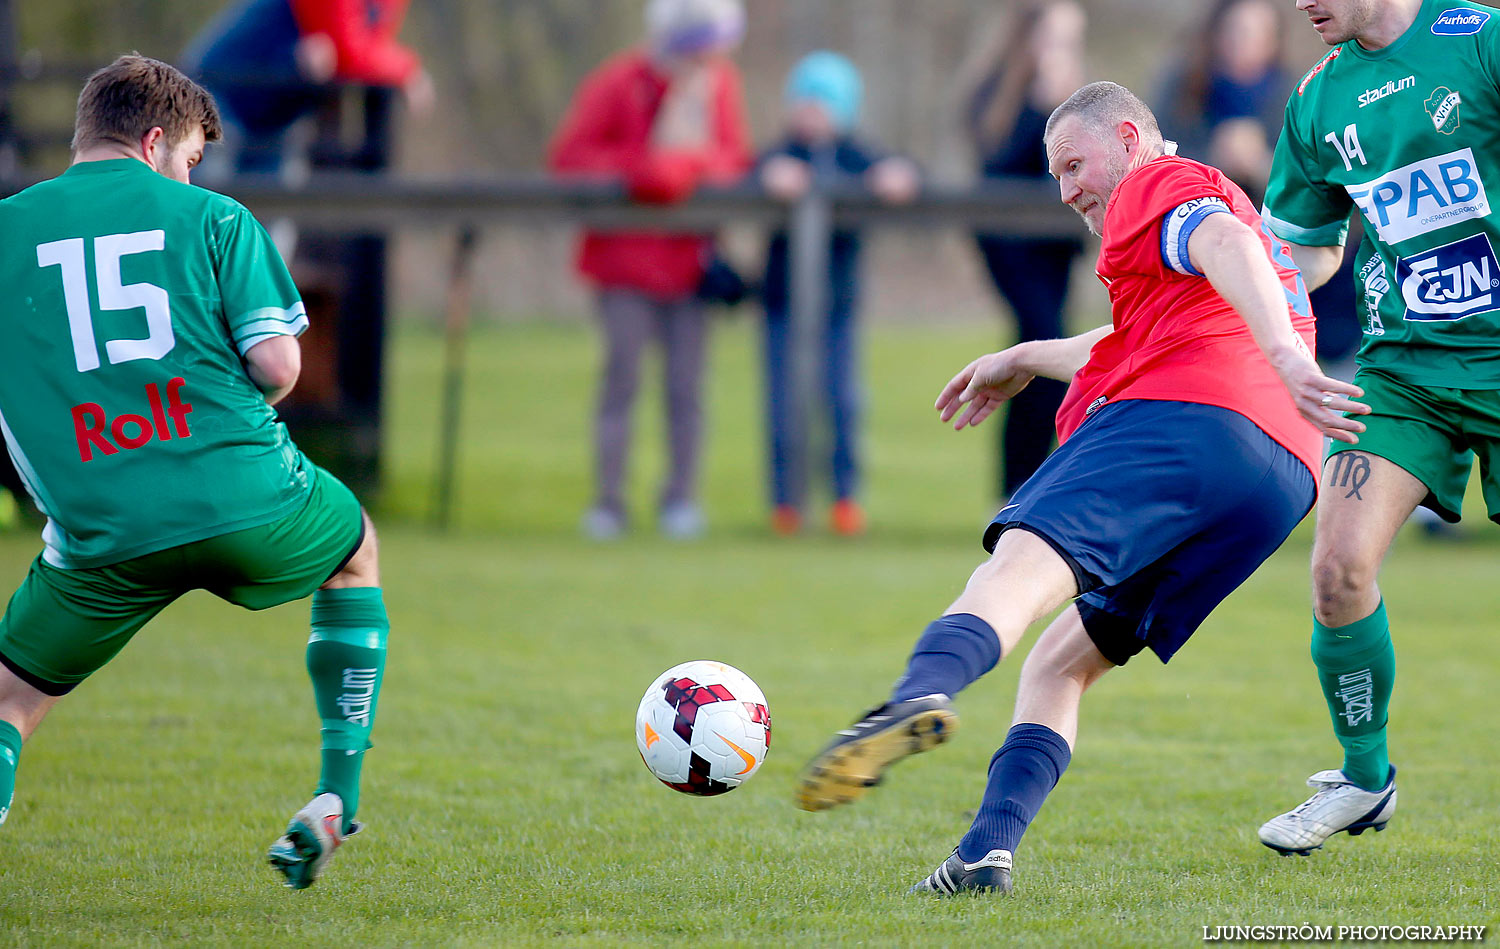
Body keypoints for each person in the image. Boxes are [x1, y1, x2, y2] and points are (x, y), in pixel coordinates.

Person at [794, 81, 1367, 895]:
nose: (1067, 192)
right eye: (1055, 176)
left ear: (1130, 138)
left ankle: (915, 694)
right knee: (1062, 662)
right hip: (1277, 477)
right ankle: (986, 850)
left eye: (1073, 164)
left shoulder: (1162, 185)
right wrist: (1026, 354)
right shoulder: (1204, 215)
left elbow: (1225, 250)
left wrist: (1285, 355)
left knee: (1017, 568)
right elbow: (1143, 333)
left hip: (1190, 419)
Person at [0, 56, 389, 891]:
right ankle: (336, 794)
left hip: (103, 532)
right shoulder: (212, 217)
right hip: (247, 501)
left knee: (10, 702)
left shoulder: (7, 230)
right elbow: (279, 366)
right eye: (189, 158)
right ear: (154, 142)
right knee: (355, 547)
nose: (190, 174)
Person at [1256, 0, 1500, 855]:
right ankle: (1365, 780)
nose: (1300, 4)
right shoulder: (1318, 99)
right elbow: (1308, 243)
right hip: (1402, 370)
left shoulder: (1483, 39)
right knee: (1337, 569)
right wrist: (1261, 285)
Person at [548, 0, 753, 541]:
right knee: (622, 382)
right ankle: (609, 503)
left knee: (687, 389)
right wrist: (645, 169)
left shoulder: (720, 85)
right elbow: (571, 159)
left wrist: (681, 167)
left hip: (689, 265)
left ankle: (680, 501)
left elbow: (732, 160)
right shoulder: (620, 82)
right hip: (623, 264)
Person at [758, 51, 920, 536]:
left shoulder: (855, 154)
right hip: (782, 304)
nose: (811, 112)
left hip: (839, 306)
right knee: (784, 404)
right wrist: (769, 178)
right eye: (803, 101)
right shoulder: (780, 153)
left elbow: (904, 168)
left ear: (843, 108)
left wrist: (897, 175)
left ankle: (845, 499)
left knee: (843, 401)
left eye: (822, 101)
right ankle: (786, 503)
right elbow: (750, 170)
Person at [959, 0, 1088, 504]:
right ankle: (1019, 484)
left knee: (1042, 343)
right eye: (1054, 39)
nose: (1063, 52)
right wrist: (1041, 108)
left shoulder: (1081, 99)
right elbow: (999, 163)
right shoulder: (998, 92)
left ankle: (1033, 483)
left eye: (1071, 40)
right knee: (1039, 338)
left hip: (1055, 246)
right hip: (1010, 244)